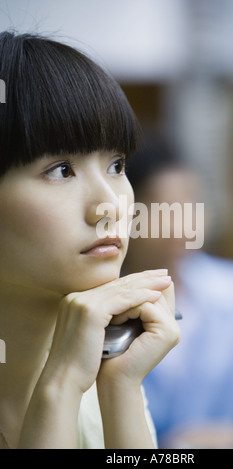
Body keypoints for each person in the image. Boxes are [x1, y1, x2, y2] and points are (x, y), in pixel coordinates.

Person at [0, 32, 180, 449]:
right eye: (61, 170)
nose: (111, 206)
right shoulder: (72, 379)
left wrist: (121, 386)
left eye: (117, 165)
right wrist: (60, 386)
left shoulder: (99, 379)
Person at [123, 144, 233, 448]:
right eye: (162, 209)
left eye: (192, 205)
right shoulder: (101, 308)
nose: (182, 226)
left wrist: (214, 440)